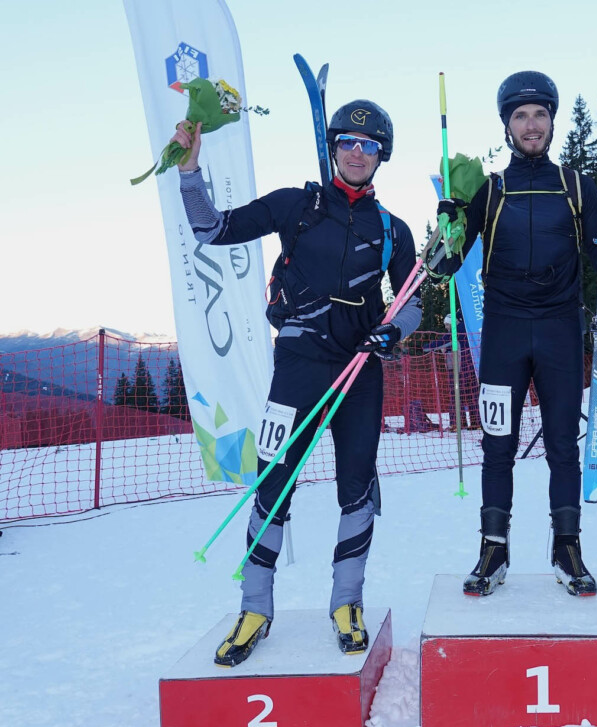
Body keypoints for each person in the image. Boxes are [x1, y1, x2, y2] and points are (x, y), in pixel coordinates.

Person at [172, 100, 422, 666]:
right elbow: (212, 229)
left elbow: (412, 300)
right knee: (273, 482)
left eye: (369, 145)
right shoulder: (296, 205)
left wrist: (393, 332)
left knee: (357, 486)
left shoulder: (393, 229)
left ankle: (347, 603)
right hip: (299, 368)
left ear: (381, 156)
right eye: (347, 142)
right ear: (333, 148)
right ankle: (254, 609)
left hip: (360, 371)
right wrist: (190, 171)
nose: (357, 152)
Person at [432, 71, 597, 597]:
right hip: (504, 335)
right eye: (520, 116)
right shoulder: (491, 189)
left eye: (540, 114)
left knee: (563, 443)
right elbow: (442, 266)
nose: (531, 124)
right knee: (497, 443)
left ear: (551, 121)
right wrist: (449, 220)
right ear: (507, 126)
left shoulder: (575, 185)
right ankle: (493, 549)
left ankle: (567, 547)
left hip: (559, 331)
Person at [425, 313, 482, 431]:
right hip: (472, 367)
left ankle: (457, 423)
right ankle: (476, 422)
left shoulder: (454, 332)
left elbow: (439, 344)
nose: (446, 327)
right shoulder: (468, 328)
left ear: (452, 323)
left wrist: (425, 346)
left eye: (447, 324)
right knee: (473, 395)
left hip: (458, 369)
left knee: (456, 396)